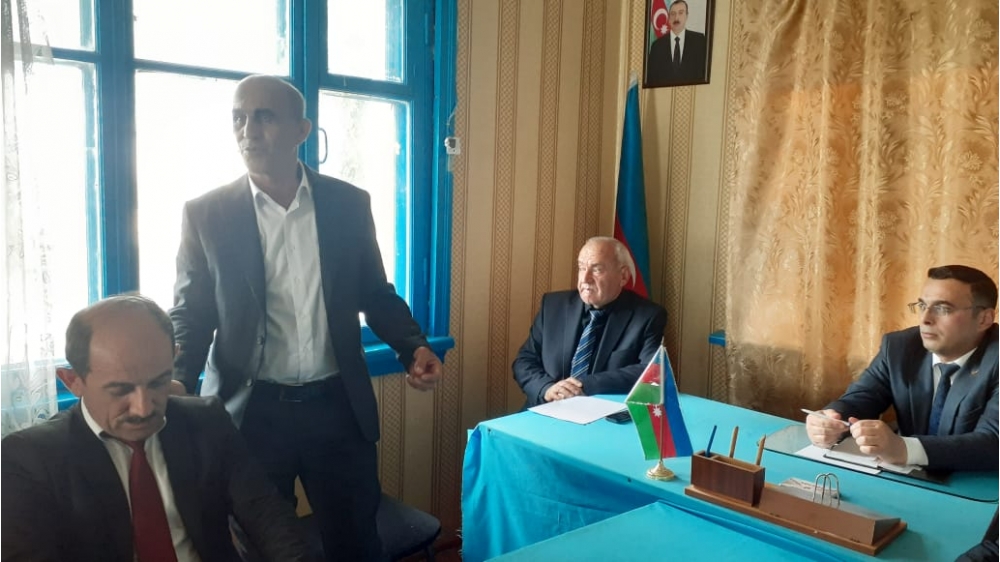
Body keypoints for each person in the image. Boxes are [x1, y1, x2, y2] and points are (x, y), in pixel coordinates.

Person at [170, 74, 443, 561]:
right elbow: (191, 313)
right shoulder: (207, 215)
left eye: (264, 117)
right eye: (239, 118)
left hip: (336, 408)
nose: (248, 131)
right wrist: (176, 381)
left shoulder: (347, 205)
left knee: (356, 544)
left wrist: (413, 346)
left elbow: (375, 293)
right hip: (251, 413)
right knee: (262, 548)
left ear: (302, 130)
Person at [1, 295, 316, 562]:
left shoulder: (206, 422)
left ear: (173, 359)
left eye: (158, 383)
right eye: (121, 390)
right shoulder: (30, 460)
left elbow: (269, 518)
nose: (144, 408)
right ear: (73, 381)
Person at [806, 265, 999, 472]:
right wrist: (831, 420)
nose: (925, 319)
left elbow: (992, 442)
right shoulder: (900, 347)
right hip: (904, 475)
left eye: (943, 309)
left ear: (984, 319)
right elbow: (860, 399)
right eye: (922, 305)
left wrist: (904, 448)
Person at [513, 237, 668, 407]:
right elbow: (524, 360)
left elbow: (650, 371)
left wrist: (583, 386)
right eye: (581, 268)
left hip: (601, 413)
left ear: (623, 276)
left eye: (597, 270)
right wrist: (546, 388)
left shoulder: (647, 316)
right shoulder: (553, 306)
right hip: (545, 408)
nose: (585, 279)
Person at [645, 0, 709, 86]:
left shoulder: (699, 41)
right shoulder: (657, 46)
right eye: (673, 14)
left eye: (680, 13)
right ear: (668, 18)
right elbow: (651, 79)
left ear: (687, 16)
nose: (676, 18)